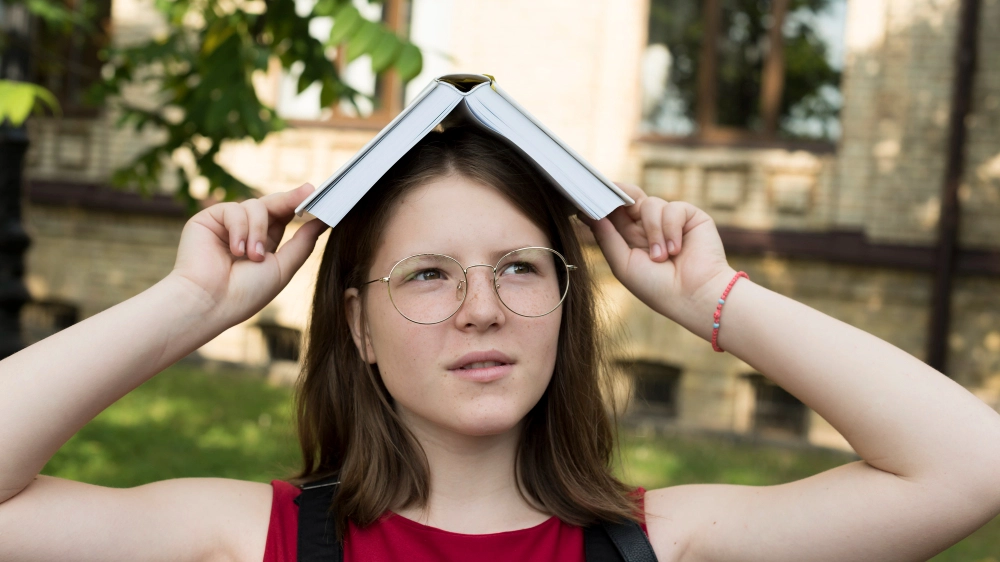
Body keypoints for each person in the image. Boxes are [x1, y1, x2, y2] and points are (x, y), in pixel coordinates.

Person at [1, 125, 999, 562]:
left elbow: (967, 467)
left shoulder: (660, 541)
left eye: (520, 267)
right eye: (427, 273)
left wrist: (709, 296)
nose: (482, 308)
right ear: (356, 325)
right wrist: (189, 303)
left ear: (565, 304)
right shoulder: (250, 537)